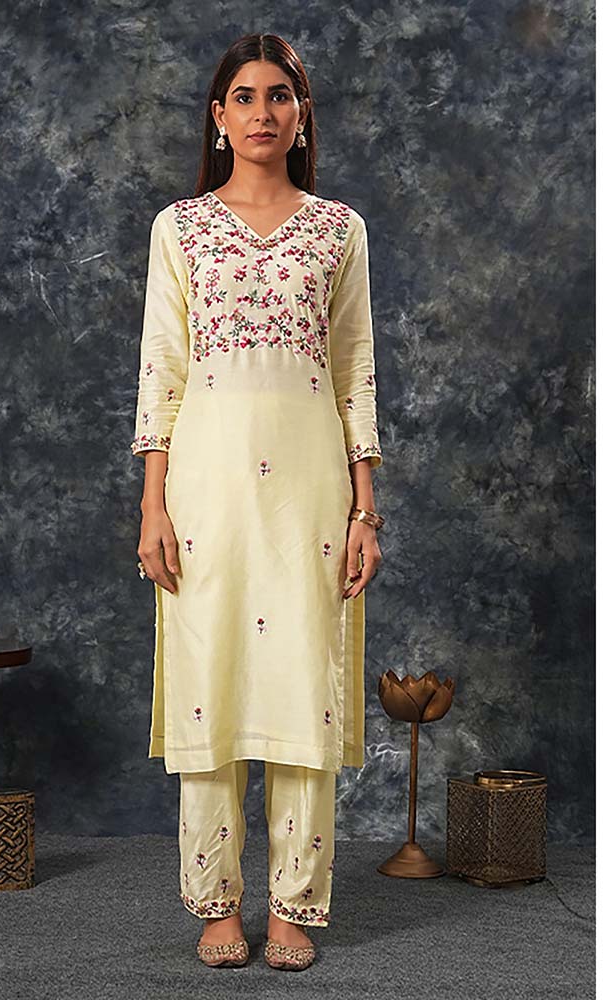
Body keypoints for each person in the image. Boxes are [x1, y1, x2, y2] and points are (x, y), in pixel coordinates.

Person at [131, 32, 385, 972]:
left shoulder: (339, 230)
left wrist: (366, 509)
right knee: (209, 681)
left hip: (311, 491)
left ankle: (293, 904)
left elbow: (356, 370)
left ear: (301, 114)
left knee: (303, 685)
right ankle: (215, 901)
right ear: (219, 116)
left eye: (280, 95)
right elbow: (161, 368)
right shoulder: (181, 228)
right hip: (206, 489)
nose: (263, 112)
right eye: (244, 96)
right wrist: (153, 506)